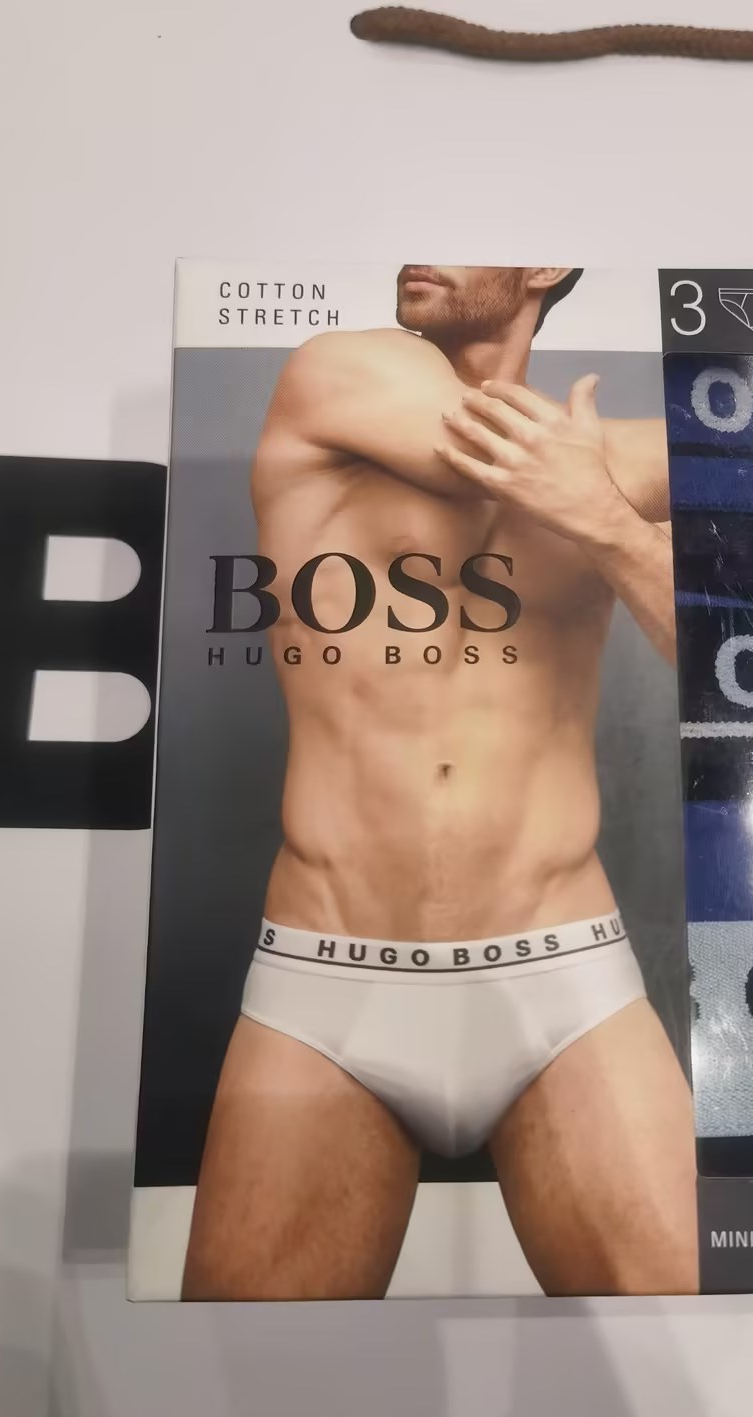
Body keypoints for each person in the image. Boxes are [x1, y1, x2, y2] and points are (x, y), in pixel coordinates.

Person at [182, 265, 697, 1299]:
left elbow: (732, 667)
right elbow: (478, 460)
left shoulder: (601, 484)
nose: (421, 251)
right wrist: (657, 482)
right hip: (331, 980)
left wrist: (608, 527)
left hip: (564, 976)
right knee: (244, 1369)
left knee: (689, 1350)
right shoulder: (335, 371)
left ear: (544, 267)